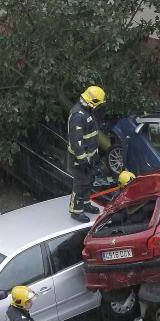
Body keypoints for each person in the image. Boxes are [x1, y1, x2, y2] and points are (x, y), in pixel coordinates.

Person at [68, 86, 105, 222]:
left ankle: (86, 204)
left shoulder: (87, 111)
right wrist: (83, 160)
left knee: (89, 181)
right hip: (80, 160)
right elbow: (76, 141)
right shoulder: (78, 115)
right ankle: (76, 211)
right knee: (80, 184)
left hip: (90, 156)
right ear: (92, 101)